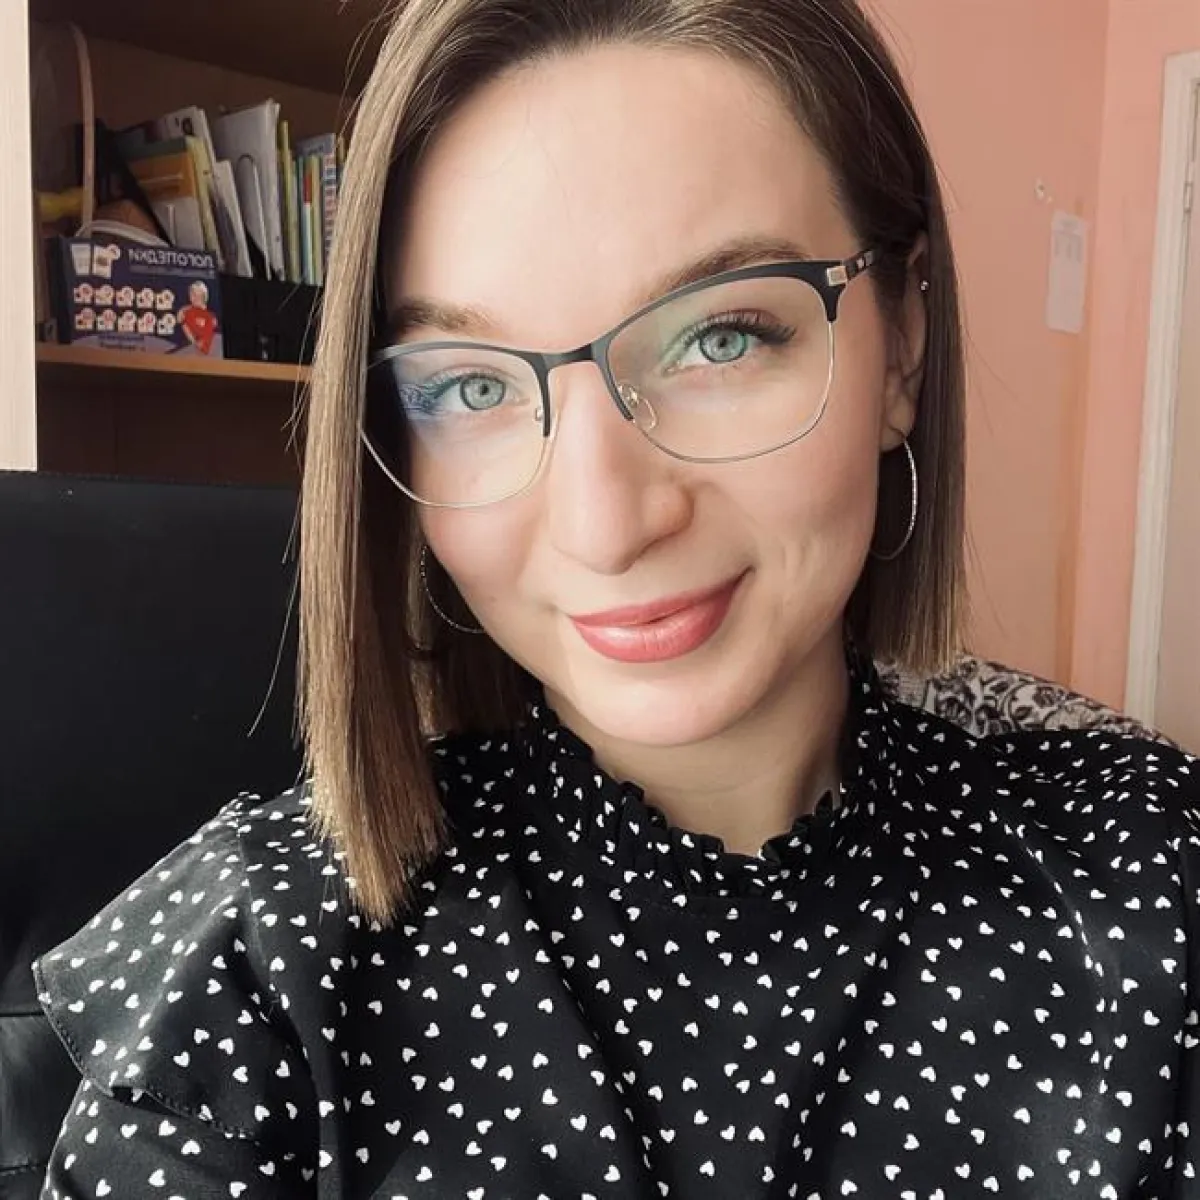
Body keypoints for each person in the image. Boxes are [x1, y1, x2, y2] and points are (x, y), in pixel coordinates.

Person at [35, 0, 1200, 1196]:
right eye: (468, 386)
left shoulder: (1151, 876)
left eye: (722, 338)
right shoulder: (256, 967)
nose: (606, 524)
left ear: (899, 345)